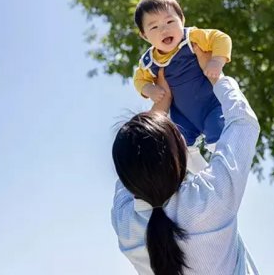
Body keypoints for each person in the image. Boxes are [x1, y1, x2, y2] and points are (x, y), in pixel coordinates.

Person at [111, 48, 260, 274]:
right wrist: (216, 77)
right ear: (177, 157)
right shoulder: (209, 198)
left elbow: (131, 168)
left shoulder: (127, 225)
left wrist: (161, 106)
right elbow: (243, 122)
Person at [132, 0, 232, 173]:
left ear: (182, 20)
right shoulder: (149, 61)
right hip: (182, 115)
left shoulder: (192, 38)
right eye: (154, 26)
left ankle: (221, 172)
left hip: (211, 105)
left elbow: (221, 38)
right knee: (180, 146)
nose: (164, 29)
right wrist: (149, 89)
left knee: (218, 138)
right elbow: (138, 79)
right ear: (144, 35)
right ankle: (201, 173)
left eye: (170, 21)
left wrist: (217, 60)